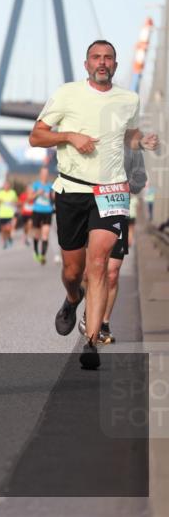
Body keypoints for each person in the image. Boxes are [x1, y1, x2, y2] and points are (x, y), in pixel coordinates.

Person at [29, 39, 159, 369]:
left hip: (111, 190)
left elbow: (124, 135)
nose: (102, 62)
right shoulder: (66, 94)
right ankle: (73, 299)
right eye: (96, 58)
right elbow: (37, 135)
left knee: (99, 264)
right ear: (86, 64)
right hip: (72, 189)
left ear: (115, 65)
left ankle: (91, 342)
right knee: (73, 272)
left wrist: (141, 140)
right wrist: (69, 136)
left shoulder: (128, 98)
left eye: (108, 58)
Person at [78, 146, 148, 344]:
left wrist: (125, 184)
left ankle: (103, 323)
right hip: (88, 209)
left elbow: (140, 179)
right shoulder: (93, 134)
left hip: (115, 207)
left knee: (112, 272)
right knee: (86, 273)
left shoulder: (130, 144)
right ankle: (87, 310)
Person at [30, 167, 54, 265]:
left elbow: (54, 199)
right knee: (36, 234)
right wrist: (37, 193)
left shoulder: (50, 186)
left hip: (48, 211)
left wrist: (52, 196)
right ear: (40, 174)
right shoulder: (36, 184)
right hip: (37, 211)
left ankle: (43, 255)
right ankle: (36, 252)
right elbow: (29, 198)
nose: (45, 175)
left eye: (46, 173)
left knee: (45, 234)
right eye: (43, 173)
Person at [0, 178, 20, 249]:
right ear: (3, 186)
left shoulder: (12, 192)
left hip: (10, 214)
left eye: (7, 185)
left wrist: (13, 203)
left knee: (8, 228)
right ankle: (5, 242)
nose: (6, 186)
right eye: (5, 185)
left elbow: (16, 202)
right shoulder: (0, 193)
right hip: (2, 214)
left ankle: (9, 238)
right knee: (3, 229)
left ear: (9, 186)